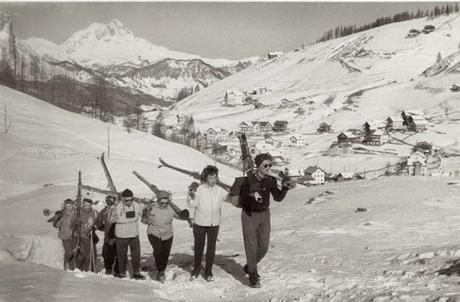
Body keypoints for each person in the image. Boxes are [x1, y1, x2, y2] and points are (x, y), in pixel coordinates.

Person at [236, 153, 293, 288]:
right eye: (265, 165)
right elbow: (243, 198)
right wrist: (251, 194)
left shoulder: (270, 181)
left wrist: (285, 188)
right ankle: (253, 275)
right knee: (251, 246)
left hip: (265, 215)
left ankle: (250, 265)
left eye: (270, 165)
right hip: (249, 215)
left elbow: (278, 198)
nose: (268, 167)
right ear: (258, 166)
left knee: (264, 247)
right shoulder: (248, 180)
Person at [187, 165, 228, 282]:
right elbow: (192, 204)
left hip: (214, 224)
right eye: (210, 177)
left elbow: (229, 198)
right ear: (205, 178)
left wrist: (236, 192)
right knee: (198, 248)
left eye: (215, 177)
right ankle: (196, 270)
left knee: (211, 248)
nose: (213, 180)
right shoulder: (199, 189)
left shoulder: (219, 190)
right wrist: (190, 194)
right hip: (199, 223)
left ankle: (208, 271)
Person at [142, 190, 189, 283]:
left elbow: (179, 216)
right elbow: (144, 221)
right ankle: (160, 271)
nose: (164, 204)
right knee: (158, 250)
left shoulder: (170, 208)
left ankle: (161, 270)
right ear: (158, 201)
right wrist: (146, 216)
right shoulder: (151, 208)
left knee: (165, 254)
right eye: (162, 203)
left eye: (166, 202)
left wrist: (185, 215)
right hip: (154, 233)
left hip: (168, 235)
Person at [109, 189, 145, 280]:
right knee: (122, 255)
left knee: (136, 254)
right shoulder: (117, 207)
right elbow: (110, 220)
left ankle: (136, 273)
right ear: (122, 199)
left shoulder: (137, 205)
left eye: (130, 199)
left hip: (134, 234)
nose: (129, 202)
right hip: (121, 235)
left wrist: (146, 216)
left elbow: (143, 217)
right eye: (126, 200)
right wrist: (113, 212)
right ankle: (122, 273)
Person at [95, 195, 119, 276]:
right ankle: (108, 268)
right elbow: (98, 220)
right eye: (107, 200)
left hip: (119, 235)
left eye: (111, 200)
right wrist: (101, 227)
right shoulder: (104, 211)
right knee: (107, 253)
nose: (109, 202)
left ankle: (117, 270)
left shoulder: (118, 209)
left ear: (114, 201)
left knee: (119, 253)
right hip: (108, 235)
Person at [74, 198, 98, 272]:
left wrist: (93, 227)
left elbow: (94, 222)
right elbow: (73, 222)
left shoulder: (93, 212)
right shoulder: (78, 212)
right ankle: (78, 268)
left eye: (89, 205)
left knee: (89, 254)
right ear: (83, 204)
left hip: (88, 236)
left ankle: (87, 270)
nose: (87, 207)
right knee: (81, 254)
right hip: (80, 236)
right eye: (86, 205)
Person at [54, 198, 77, 271]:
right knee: (69, 252)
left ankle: (72, 268)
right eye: (67, 206)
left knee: (73, 252)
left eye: (70, 206)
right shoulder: (63, 214)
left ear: (73, 205)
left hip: (74, 236)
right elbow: (56, 225)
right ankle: (66, 263)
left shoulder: (77, 213)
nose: (69, 208)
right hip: (65, 236)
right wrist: (57, 218)